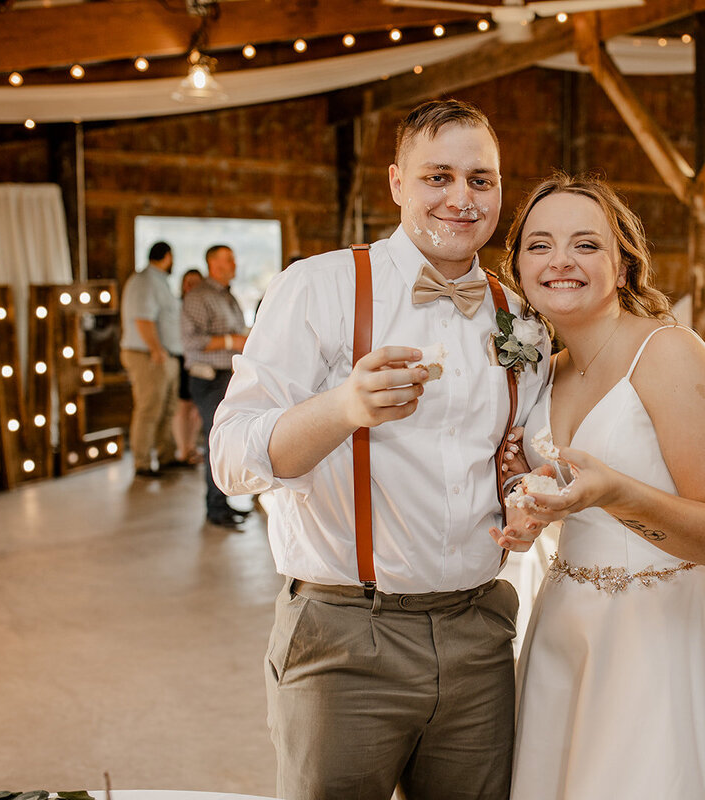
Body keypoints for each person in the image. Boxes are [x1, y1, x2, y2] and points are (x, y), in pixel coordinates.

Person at [209, 100, 550, 800]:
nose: (461, 198)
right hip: (342, 636)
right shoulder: (318, 286)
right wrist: (342, 408)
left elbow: (523, 452)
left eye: (481, 180)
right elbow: (229, 459)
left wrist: (527, 487)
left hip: (480, 630)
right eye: (439, 177)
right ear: (397, 183)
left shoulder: (522, 320)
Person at [494, 172, 705, 799]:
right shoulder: (548, 371)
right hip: (569, 629)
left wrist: (614, 493)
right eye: (538, 244)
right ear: (517, 268)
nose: (560, 260)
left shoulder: (671, 354)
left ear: (624, 265)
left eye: (587, 244)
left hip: (672, 640)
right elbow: (568, 491)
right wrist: (531, 504)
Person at [183, 244, 251, 529]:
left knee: (229, 440)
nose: (234, 264)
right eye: (228, 259)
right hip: (208, 378)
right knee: (217, 441)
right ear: (213, 263)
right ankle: (215, 509)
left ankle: (223, 502)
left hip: (228, 376)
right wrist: (232, 342)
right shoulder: (199, 296)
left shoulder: (229, 295)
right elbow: (191, 342)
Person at [120, 240, 184, 478]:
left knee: (168, 409)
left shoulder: (160, 282)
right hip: (149, 355)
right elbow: (143, 319)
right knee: (149, 409)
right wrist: (156, 350)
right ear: (167, 256)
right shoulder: (145, 281)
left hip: (164, 354)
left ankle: (166, 456)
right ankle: (142, 462)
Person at [172, 268, 204, 465]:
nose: (191, 286)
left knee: (197, 409)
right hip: (182, 358)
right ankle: (182, 449)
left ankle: (191, 446)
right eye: (188, 282)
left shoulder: (200, 305)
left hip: (199, 361)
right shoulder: (177, 306)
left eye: (195, 282)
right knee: (183, 406)